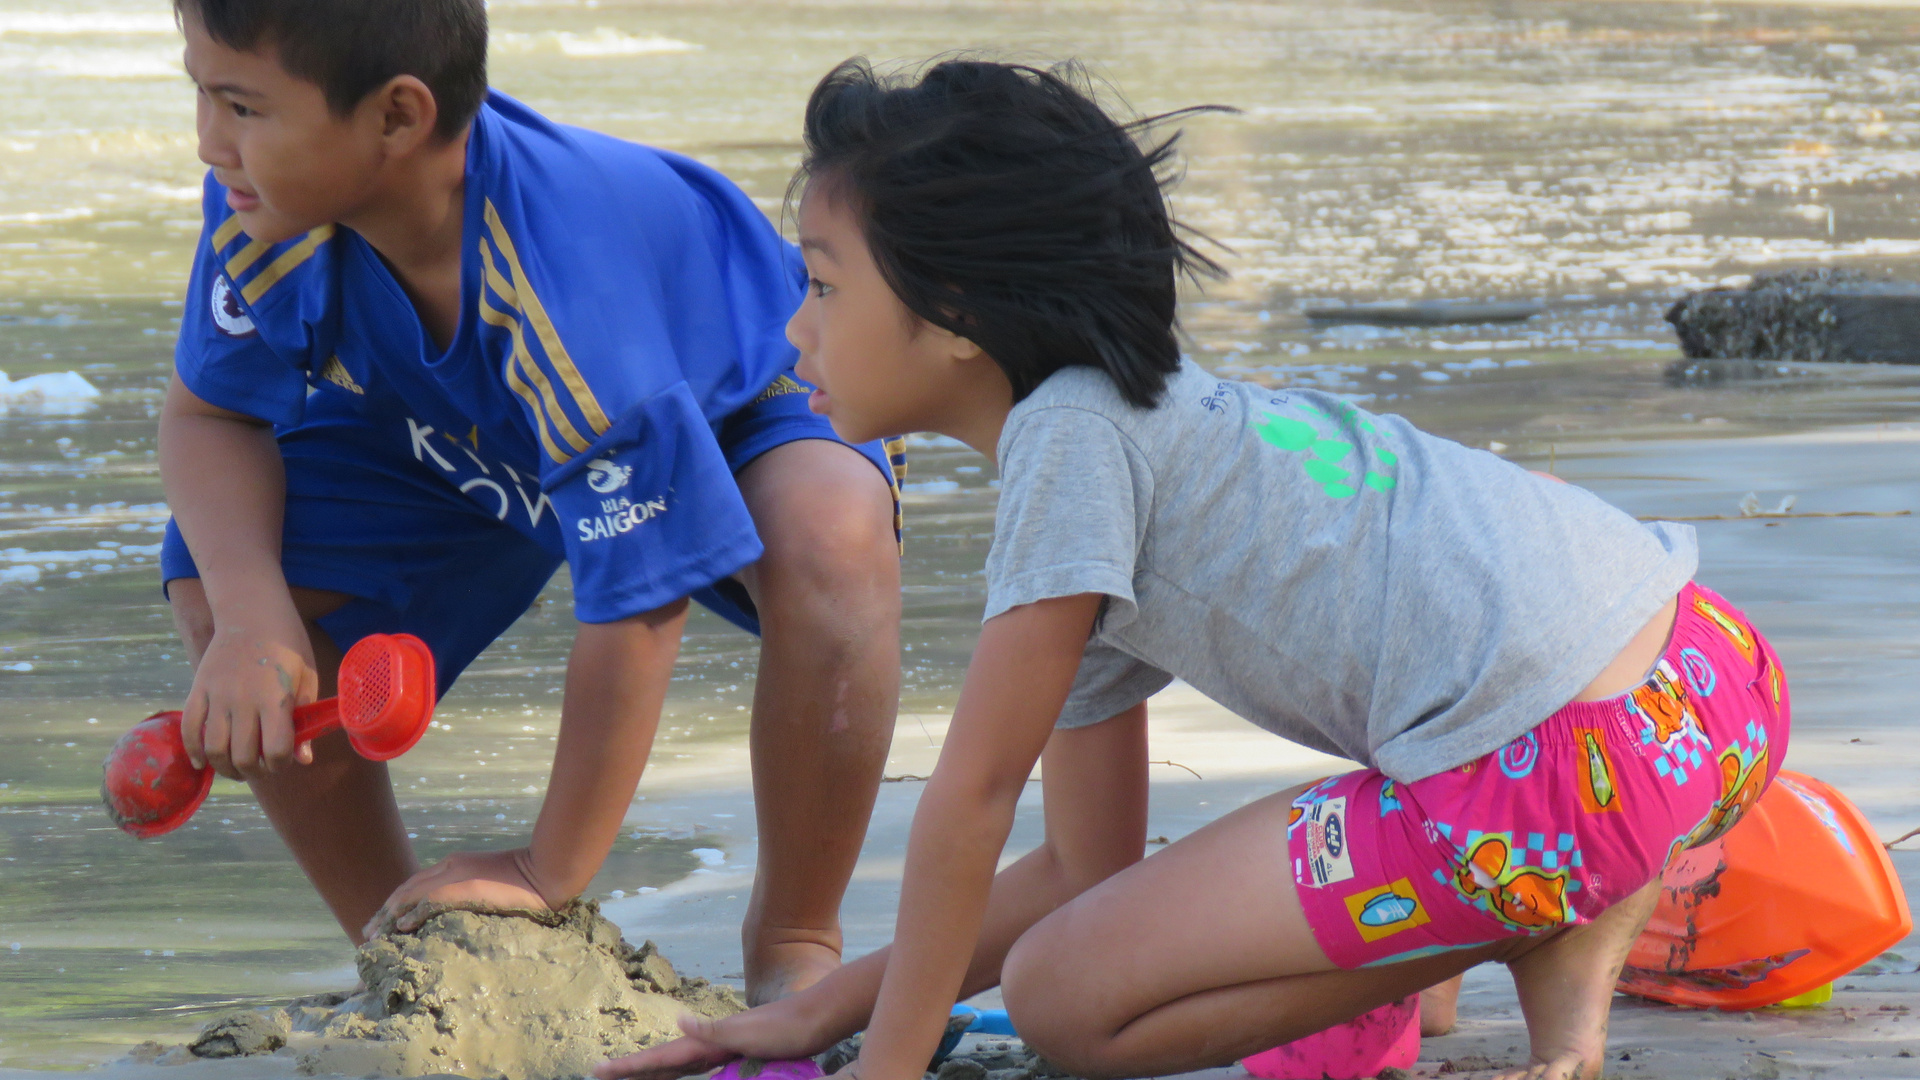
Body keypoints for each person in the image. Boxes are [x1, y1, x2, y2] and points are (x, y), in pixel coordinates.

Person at [596, 57, 1791, 1080]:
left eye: (819, 283)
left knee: (1064, 1002)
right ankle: (1531, 915)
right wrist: (827, 1006)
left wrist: (892, 1064)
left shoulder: (1069, 445)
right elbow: (1083, 862)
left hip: (1564, 773)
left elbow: (967, 804)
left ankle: (1516, 922)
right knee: (1082, 944)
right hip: (1712, 683)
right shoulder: (1138, 420)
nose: (793, 330)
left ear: (954, 315)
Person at [160, 0, 904, 1004]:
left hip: (732, 399)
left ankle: (795, 942)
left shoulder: (556, 281)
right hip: (461, 423)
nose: (209, 141)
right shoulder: (264, 202)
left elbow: (641, 607)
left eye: (240, 105)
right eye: (201, 91)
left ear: (397, 117)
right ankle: (415, 952)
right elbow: (211, 419)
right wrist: (253, 618)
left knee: (832, 536)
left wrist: (549, 868)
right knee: (227, 585)